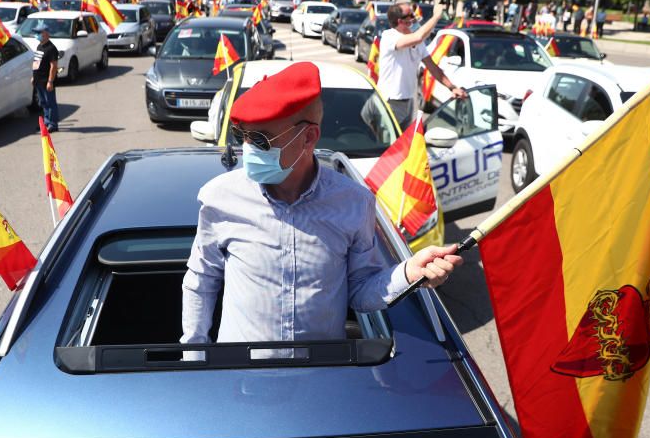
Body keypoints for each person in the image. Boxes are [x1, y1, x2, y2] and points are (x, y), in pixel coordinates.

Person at [181, 61, 464, 346]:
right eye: (242, 136)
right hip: (240, 377)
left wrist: (407, 273)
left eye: (261, 140)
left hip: (324, 378)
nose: (248, 149)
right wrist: (195, 354)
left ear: (308, 137)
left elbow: (361, 292)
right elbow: (201, 280)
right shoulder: (220, 198)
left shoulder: (355, 203)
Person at [378, 2, 466, 130]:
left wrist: (452, 88)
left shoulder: (417, 43)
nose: (414, 18)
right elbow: (419, 36)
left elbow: (433, 67)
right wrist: (436, 16)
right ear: (400, 21)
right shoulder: (389, 36)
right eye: (410, 15)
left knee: (404, 144)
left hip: (408, 100)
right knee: (389, 144)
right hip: (390, 102)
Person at [32, 26, 60, 132]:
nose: (37, 35)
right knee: (43, 103)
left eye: (39, 33)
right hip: (38, 80)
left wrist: (50, 81)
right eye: (37, 32)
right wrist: (33, 77)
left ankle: (53, 124)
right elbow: (36, 63)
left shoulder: (51, 48)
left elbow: (53, 66)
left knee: (50, 103)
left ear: (46, 34)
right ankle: (46, 122)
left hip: (46, 81)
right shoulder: (39, 46)